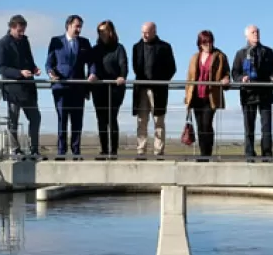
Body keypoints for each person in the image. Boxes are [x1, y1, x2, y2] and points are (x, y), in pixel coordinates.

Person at [46, 14, 95, 158]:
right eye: (76, 26)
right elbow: (49, 63)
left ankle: (76, 152)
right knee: (62, 120)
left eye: (80, 27)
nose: (79, 29)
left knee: (77, 121)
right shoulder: (56, 41)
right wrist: (51, 73)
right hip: (61, 88)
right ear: (68, 26)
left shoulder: (85, 42)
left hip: (78, 88)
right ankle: (61, 152)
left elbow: (91, 62)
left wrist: (92, 73)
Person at [0, 14, 42, 159]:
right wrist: (19, 73)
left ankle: (34, 149)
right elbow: (1, 68)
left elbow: (29, 60)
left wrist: (34, 69)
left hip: (28, 88)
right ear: (12, 27)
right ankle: (15, 150)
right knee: (13, 120)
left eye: (23, 30)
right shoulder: (2, 44)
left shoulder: (25, 41)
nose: (22, 33)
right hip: (13, 89)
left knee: (35, 117)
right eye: (19, 31)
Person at [231, 25, 273, 160]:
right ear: (246, 35)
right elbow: (234, 73)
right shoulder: (241, 53)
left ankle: (267, 154)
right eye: (253, 32)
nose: (256, 34)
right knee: (249, 126)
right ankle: (249, 154)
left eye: (257, 32)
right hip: (248, 94)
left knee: (267, 126)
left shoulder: (268, 52)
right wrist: (242, 79)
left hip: (265, 94)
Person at [184, 30, 231, 160]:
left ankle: (207, 154)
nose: (208, 45)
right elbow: (189, 78)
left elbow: (227, 73)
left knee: (206, 124)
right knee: (200, 126)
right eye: (205, 43)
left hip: (211, 96)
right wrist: (187, 97)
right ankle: (203, 154)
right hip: (196, 97)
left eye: (210, 42)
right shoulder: (194, 57)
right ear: (200, 43)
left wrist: (226, 79)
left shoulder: (220, 56)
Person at [132, 22, 176, 158]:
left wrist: (160, 81)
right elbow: (135, 67)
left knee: (159, 121)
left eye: (147, 32)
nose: (144, 35)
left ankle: (159, 152)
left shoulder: (165, 47)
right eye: (142, 32)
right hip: (141, 90)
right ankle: (141, 151)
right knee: (141, 121)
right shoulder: (137, 47)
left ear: (154, 32)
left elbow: (172, 68)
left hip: (158, 91)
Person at [91, 20, 128, 158]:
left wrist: (122, 76)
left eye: (104, 30)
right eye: (99, 31)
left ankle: (113, 151)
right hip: (98, 89)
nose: (101, 33)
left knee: (112, 119)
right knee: (101, 120)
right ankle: (104, 150)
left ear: (110, 31)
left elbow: (123, 65)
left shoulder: (119, 48)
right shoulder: (95, 49)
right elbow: (91, 67)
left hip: (115, 90)